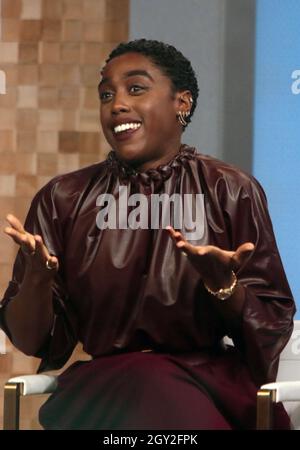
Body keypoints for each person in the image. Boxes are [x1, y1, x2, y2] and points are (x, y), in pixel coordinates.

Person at [0, 39, 295, 430]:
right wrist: (36, 280)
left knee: (156, 394)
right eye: (107, 94)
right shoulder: (63, 198)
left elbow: (271, 326)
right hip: (104, 388)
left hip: (205, 383)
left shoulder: (231, 189)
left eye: (135, 88)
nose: (117, 104)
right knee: (139, 390)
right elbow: (35, 341)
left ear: (182, 103)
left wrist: (224, 286)